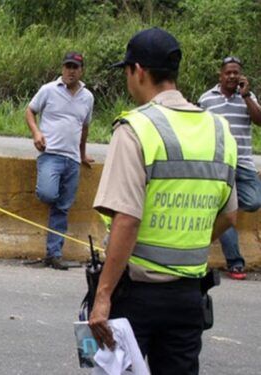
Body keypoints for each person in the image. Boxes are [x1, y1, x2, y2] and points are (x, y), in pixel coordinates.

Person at [89, 27, 238, 374]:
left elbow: (126, 218)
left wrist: (103, 296)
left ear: (138, 71)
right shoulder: (219, 131)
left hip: (137, 294)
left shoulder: (135, 128)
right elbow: (230, 217)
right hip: (189, 296)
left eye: (126, 71)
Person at [25, 51, 94, 270]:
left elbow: (84, 128)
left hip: (72, 159)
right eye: (67, 67)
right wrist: (36, 133)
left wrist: (82, 154)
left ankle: (54, 254)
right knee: (48, 193)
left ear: (81, 70)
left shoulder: (87, 97)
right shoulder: (48, 90)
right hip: (51, 154)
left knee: (62, 208)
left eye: (75, 67)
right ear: (62, 68)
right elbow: (30, 111)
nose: (70, 71)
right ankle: (53, 251)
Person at [197, 56, 261, 280]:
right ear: (220, 75)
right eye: (228, 72)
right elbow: (199, 129)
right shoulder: (206, 99)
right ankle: (235, 263)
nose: (232, 76)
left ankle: (219, 212)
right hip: (219, 164)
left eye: (236, 73)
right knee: (228, 211)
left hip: (242, 162)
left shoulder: (247, 97)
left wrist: (245, 96)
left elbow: (259, 120)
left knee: (254, 201)